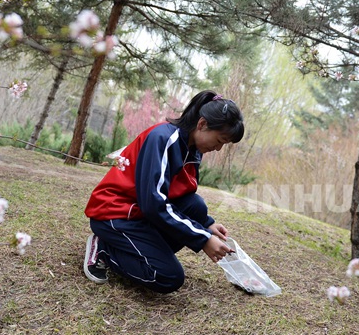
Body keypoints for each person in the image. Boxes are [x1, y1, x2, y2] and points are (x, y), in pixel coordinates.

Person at [83, 90, 245, 293]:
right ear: (202, 124)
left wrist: (206, 224)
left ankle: (141, 250)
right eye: (220, 140)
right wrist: (202, 238)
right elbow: (154, 203)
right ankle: (105, 250)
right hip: (115, 213)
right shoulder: (162, 138)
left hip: (141, 212)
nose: (219, 148)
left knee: (196, 206)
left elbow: (181, 195)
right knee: (168, 277)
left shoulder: (192, 150)